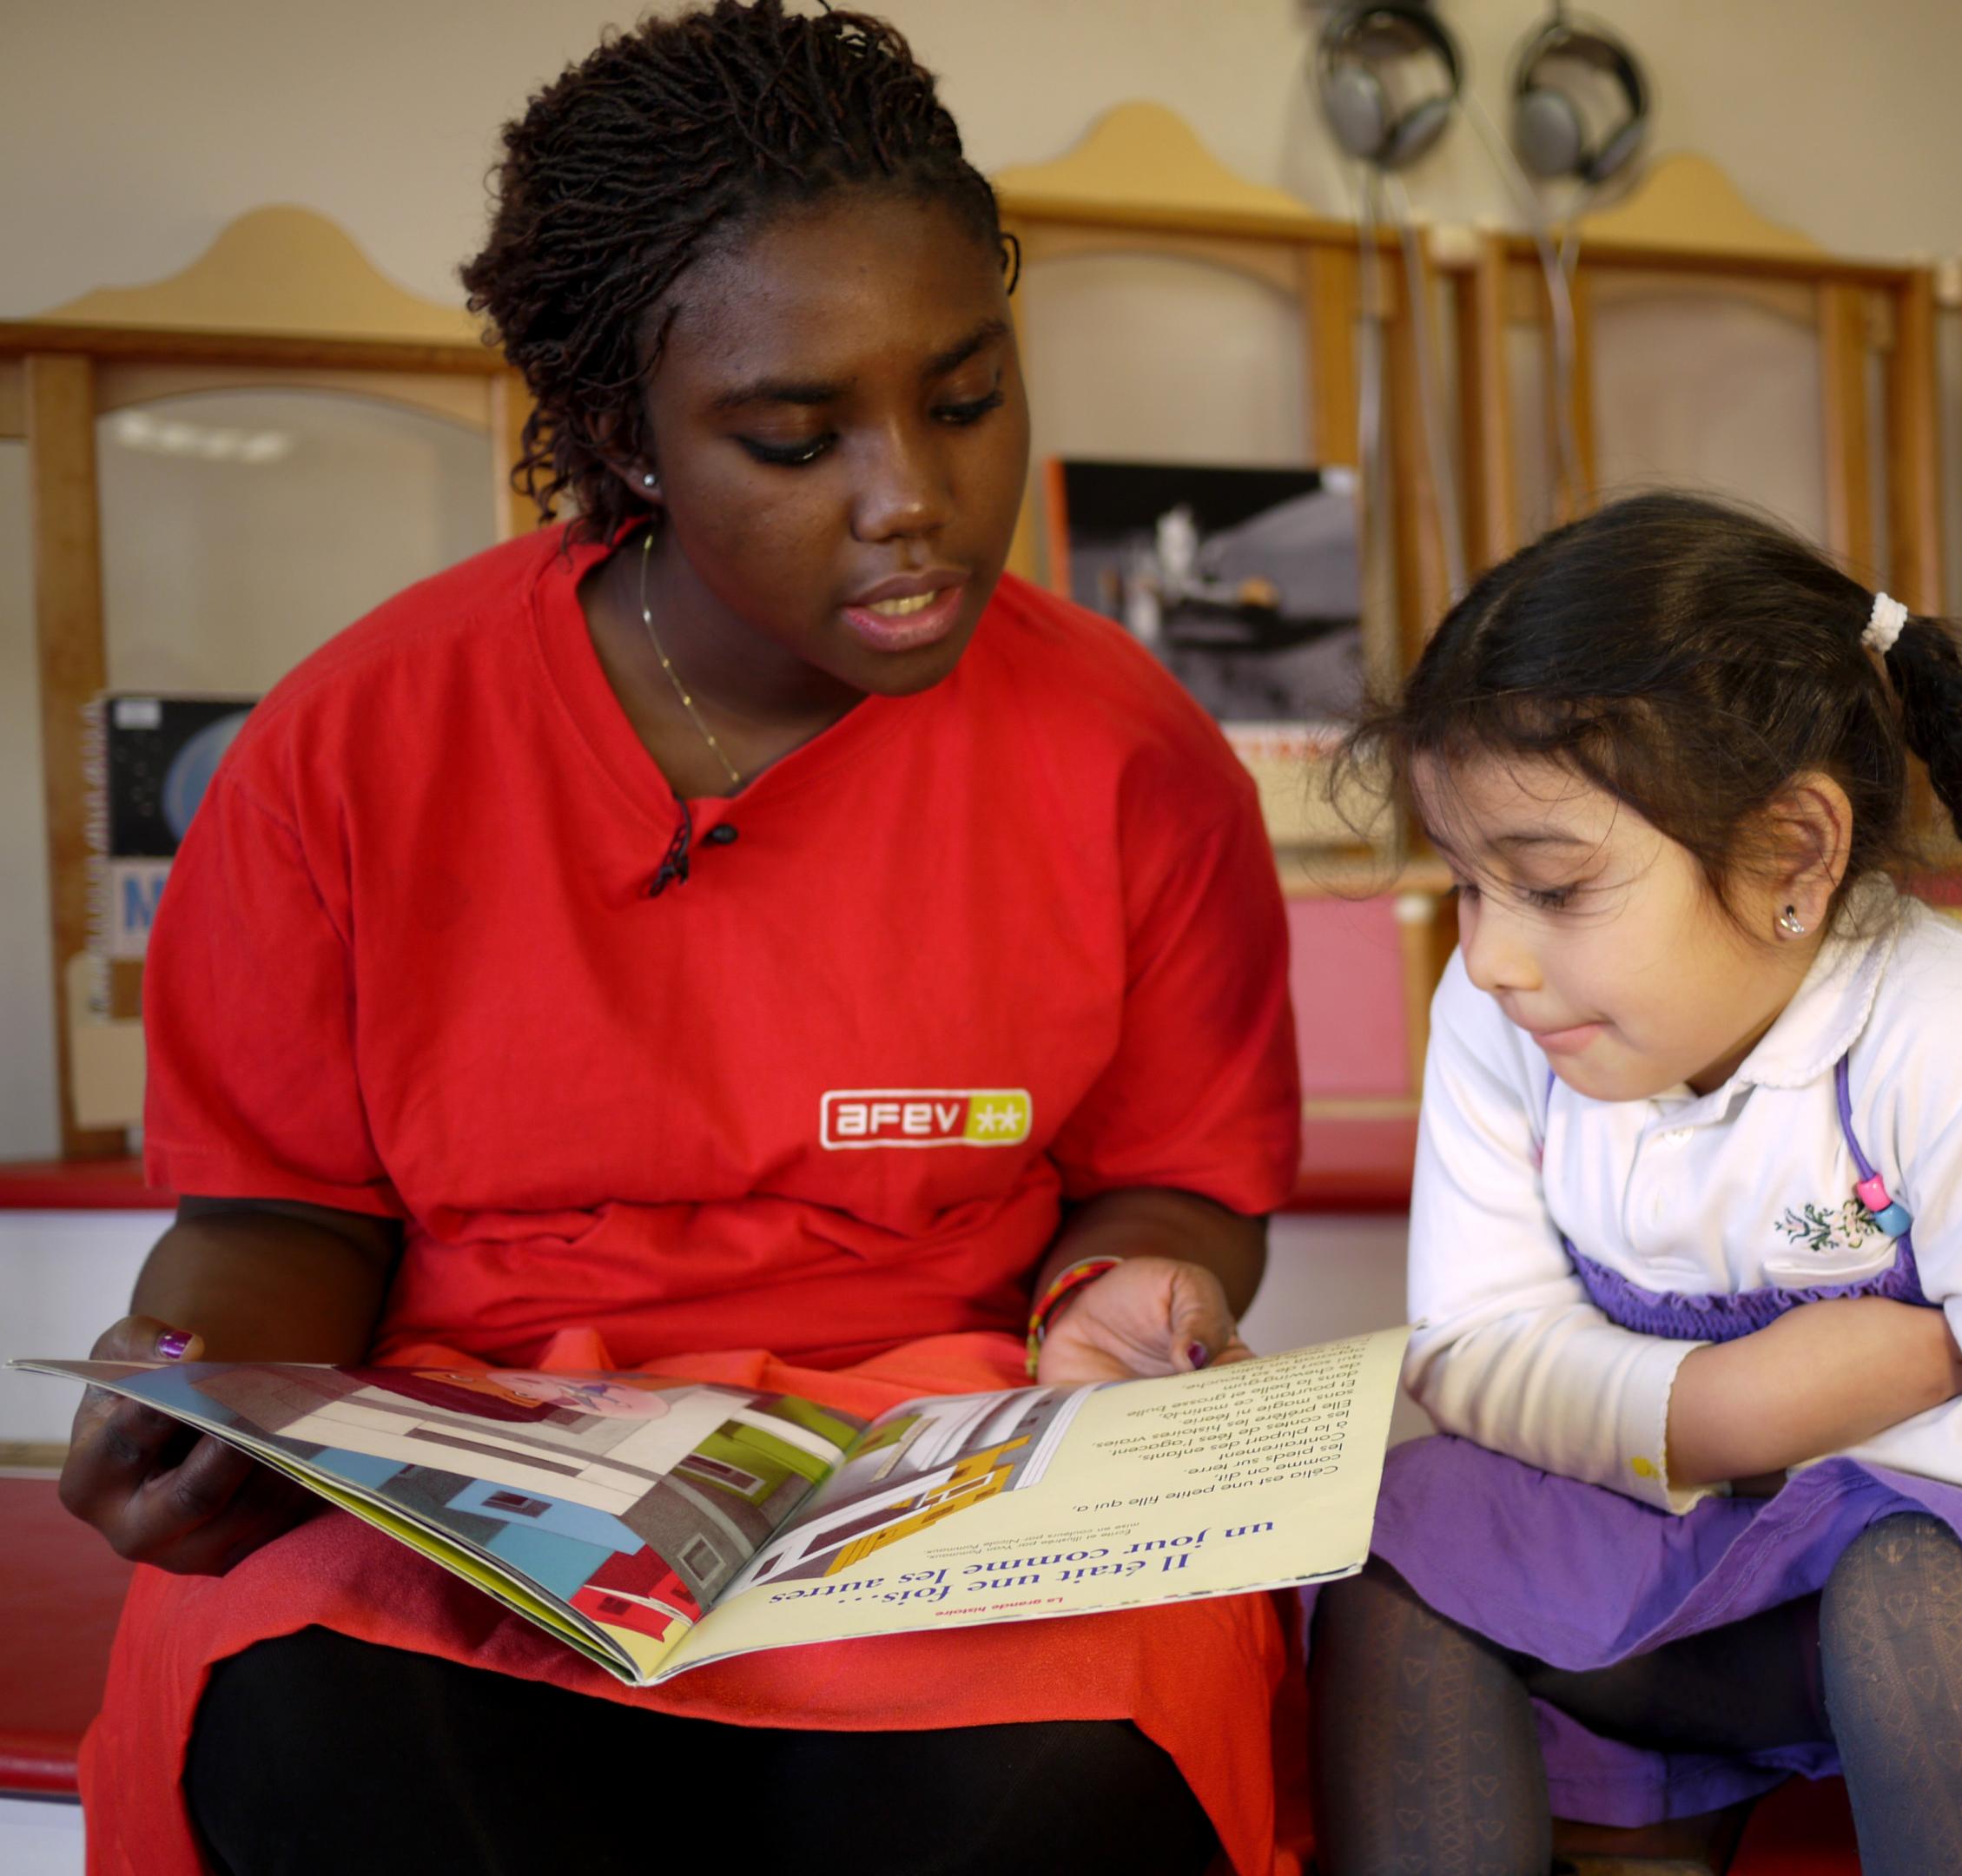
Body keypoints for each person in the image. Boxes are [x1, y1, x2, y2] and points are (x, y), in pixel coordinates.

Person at [56, 8, 1304, 1873]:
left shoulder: (1134, 754)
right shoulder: (354, 742)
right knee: (321, 1746)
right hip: (467, 1452)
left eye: (965, 400)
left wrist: (1136, 1290)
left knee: (1059, 1788)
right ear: (620, 435)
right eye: (797, 438)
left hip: (948, 1472)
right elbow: (283, 1218)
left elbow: (1179, 1188)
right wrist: (208, 1397)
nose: (914, 500)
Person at [1311, 492, 1962, 1876]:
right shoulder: (1501, 1024)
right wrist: (1733, 1412)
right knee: (1392, 1550)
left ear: (1793, 854)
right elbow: (1472, 1347)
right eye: (1468, 886)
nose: (1489, 958)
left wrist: (1798, 1482)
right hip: (1690, 1584)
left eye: (1549, 887)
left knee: (1913, 1592)